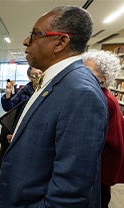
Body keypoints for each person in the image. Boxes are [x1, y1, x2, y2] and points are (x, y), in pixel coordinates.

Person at [0, 6, 108, 208]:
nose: (26, 41)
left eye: (34, 35)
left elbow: (70, 190)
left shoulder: (79, 92)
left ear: (60, 42)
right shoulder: (57, 80)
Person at [82, 50, 124, 208]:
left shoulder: (103, 99)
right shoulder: (101, 95)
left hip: (98, 172)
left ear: (103, 77)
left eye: (87, 71)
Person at [0, 66, 42, 168]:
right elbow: (10, 108)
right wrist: (8, 95)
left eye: (40, 73)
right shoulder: (24, 91)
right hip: (21, 128)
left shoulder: (46, 90)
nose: (38, 76)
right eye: (35, 75)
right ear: (29, 77)